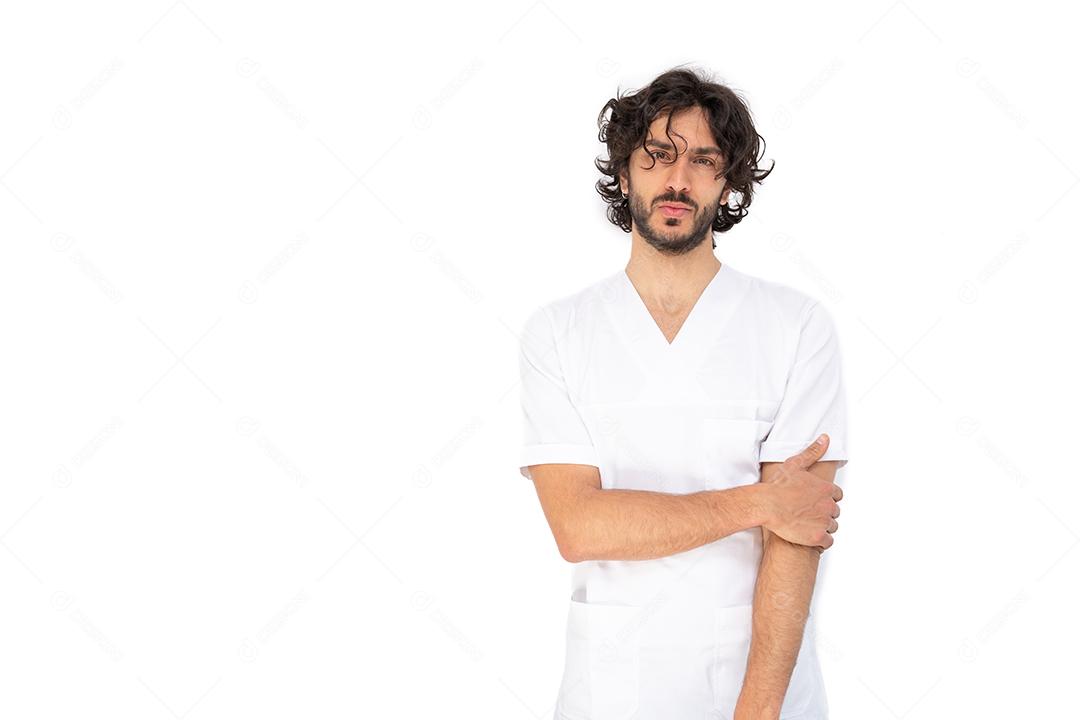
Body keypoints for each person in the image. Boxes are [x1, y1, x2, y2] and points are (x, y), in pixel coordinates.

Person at [517, 66, 849, 720]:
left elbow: (800, 529)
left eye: (703, 161)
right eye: (658, 157)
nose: (678, 179)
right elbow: (580, 528)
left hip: (759, 692)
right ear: (623, 173)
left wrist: (755, 714)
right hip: (611, 689)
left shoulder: (795, 326)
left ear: (728, 185)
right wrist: (761, 500)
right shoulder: (558, 333)